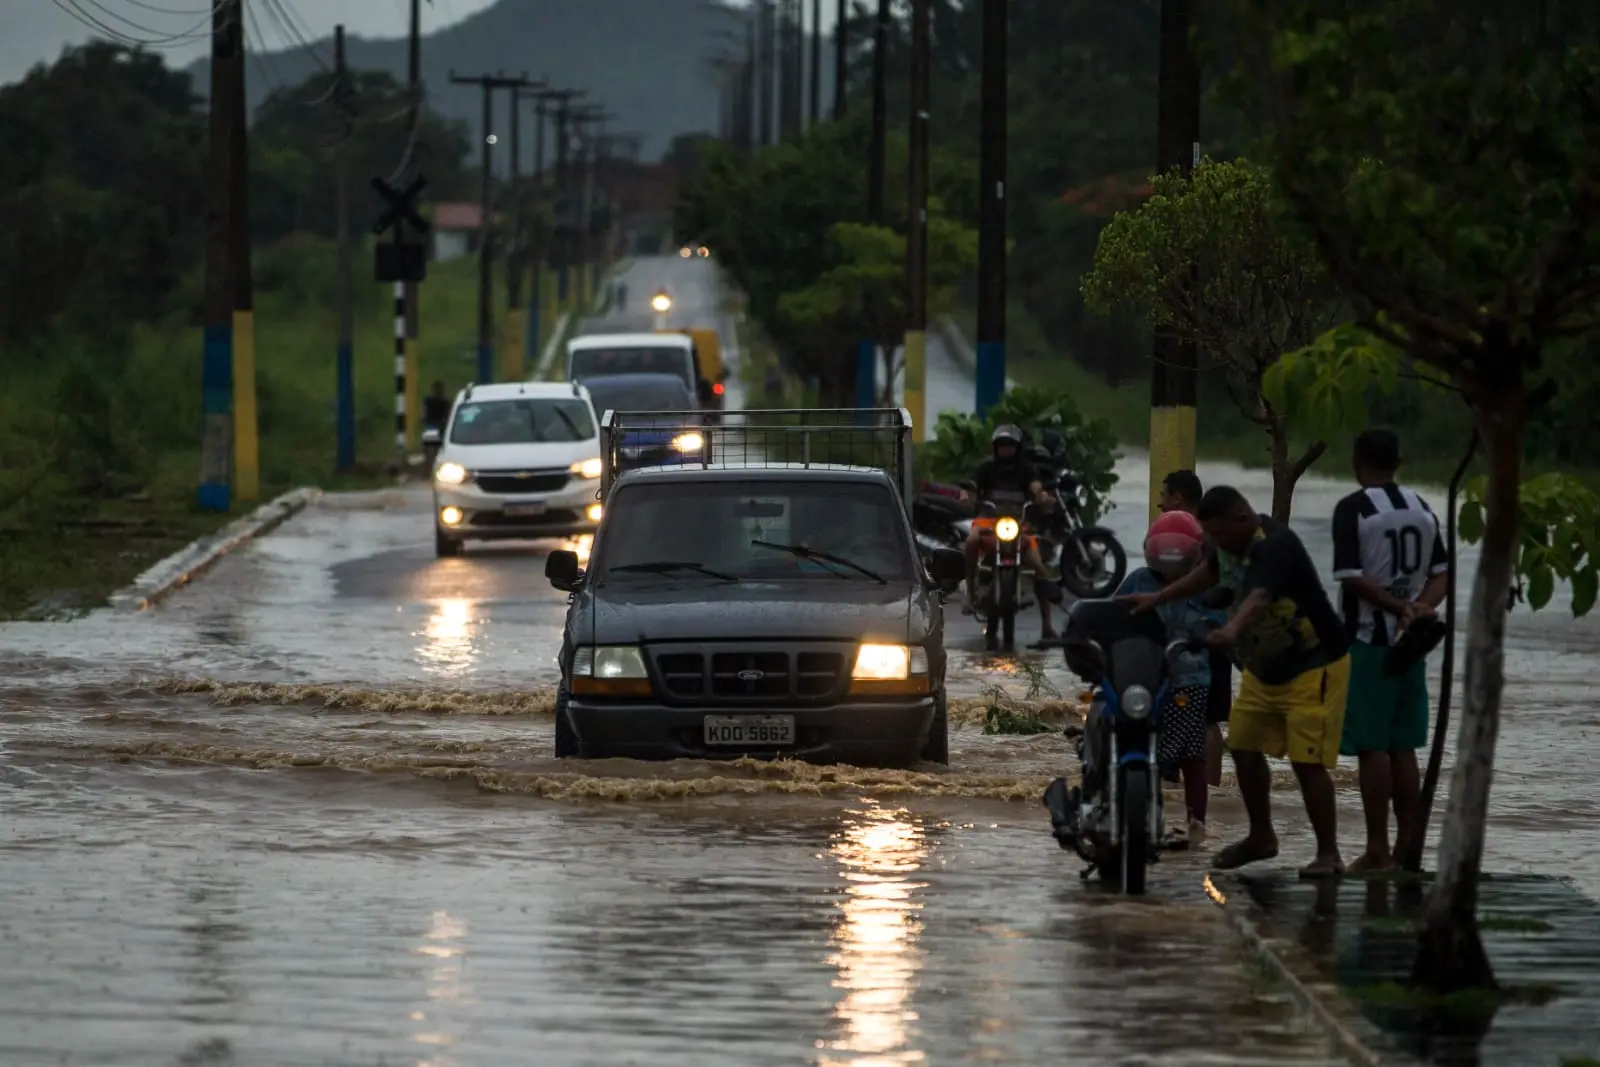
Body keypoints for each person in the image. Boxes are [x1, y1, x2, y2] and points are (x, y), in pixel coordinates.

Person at [1121, 485, 1352, 878]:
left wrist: (1231, 630)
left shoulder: (1274, 546)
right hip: (1264, 670)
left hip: (1313, 665)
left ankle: (1329, 853)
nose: (1220, 545)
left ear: (1243, 519)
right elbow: (1205, 575)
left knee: (1306, 761)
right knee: (1242, 745)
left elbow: (1259, 596)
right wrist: (1158, 600)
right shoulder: (1221, 547)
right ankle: (1261, 836)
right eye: (1212, 538)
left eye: (1224, 536)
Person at [1332, 429, 1450, 873]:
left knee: (1371, 747)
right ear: (1398, 461)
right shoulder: (1421, 508)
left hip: (1367, 639)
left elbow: (1351, 577)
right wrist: (1420, 608)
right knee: (1404, 746)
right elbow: (1442, 573)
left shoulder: (1353, 509)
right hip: (1411, 642)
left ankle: (1378, 848)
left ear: (1357, 461)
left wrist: (1399, 607)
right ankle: (1407, 847)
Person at [1115, 510, 1226, 844]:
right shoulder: (1137, 581)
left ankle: (1196, 823)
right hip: (1141, 677)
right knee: (1132, 743)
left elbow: (1220, 622)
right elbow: (1112, 611)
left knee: (1192, 755)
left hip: (1188, 681)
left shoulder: (1207, 586)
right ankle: (1130, 813)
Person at [1161, 467, 1232, 789]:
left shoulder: (1200, 537)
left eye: (1164, 496)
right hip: (1211, 633)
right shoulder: (1217, 532)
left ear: (1177, 498)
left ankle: (1205, 787)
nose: (1160, 504)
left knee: (1203, 718)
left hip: (1203, 634)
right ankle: (1210, 789)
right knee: (1207, 718)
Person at [961, 425, 1055, 646]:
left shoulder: (1027, 469)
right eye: (1002, 446)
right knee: (972, 540)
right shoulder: (987, 468)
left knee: (1039, 568)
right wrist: (966, 495)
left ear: (1017, 447)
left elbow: (1036, 488)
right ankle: (971, 592)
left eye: (1010, 446)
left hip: (1017, 524)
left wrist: (1041, 496)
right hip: (988, 521)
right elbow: (972, 486)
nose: (1006, 450)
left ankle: (1048, 625)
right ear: (996, 448)